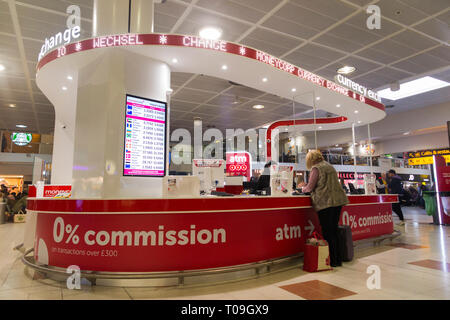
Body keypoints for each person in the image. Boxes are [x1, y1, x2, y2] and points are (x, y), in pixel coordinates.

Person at [299, 150, 349, 267]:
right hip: (337, 201)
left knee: (327, 232)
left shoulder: (316, 168)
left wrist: (302, 189)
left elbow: (310, 187)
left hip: (325, 203)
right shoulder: (329, 166)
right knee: (334, 231)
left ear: (311, 159)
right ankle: (337, 259)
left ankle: (331, 260)